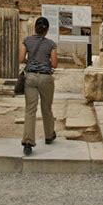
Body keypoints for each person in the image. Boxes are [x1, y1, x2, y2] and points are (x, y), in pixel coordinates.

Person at [19, 16, 58, 155]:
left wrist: (30, 61)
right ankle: (49, 135)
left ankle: (28, 142)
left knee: (30, 110)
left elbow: (20, 59)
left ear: (35, 28)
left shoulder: (27, 41)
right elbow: (54, 64)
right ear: (46, 30)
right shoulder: (51, 44)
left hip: (30, 77)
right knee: (46, 108)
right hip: (46, 77)